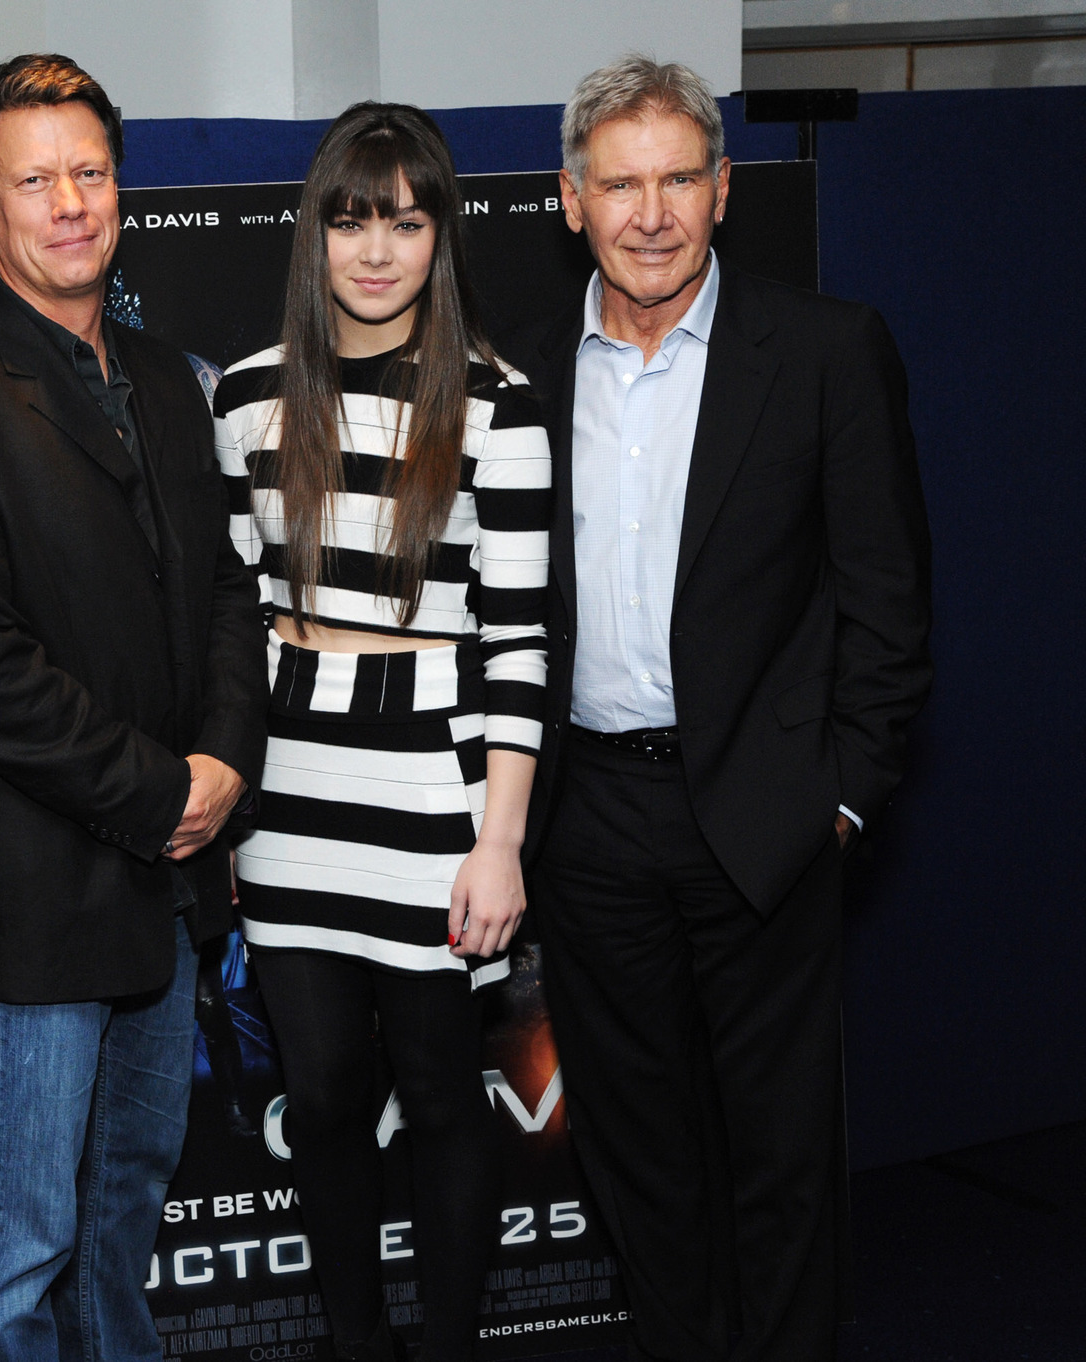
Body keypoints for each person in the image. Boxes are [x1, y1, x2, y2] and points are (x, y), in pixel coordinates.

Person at [502, 56, 932, 1362]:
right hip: (587, 825)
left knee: (783, 1148)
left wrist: (840, 799)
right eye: (620, 184)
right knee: (636, 1147)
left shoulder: (824, 351)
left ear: (723, 189)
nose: (651, 213)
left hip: (765, 812)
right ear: (571, 199)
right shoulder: (514, 372)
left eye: (679, 178)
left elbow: (890, 607)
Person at [0, 53, 267, 1362]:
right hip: (35, 907)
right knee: (12, 1249)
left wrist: (224, 766)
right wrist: (168, 796)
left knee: (116, 1234)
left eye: (90, 172)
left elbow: (219, 595)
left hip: (165, 894)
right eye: (36, 179)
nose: (71, 202)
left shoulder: (160, 376)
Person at [215, 102, 551, 1361]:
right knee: (319, 1098)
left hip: (431, 789)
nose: (374, 250)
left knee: (440, 1102)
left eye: (404, 222)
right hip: (289, 790)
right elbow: (230, 618)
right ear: (315, 233)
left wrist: (501, 841)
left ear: (438, 237)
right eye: (351, 219)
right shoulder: (248, 396)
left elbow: (518, 639)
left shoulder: (497, 403)